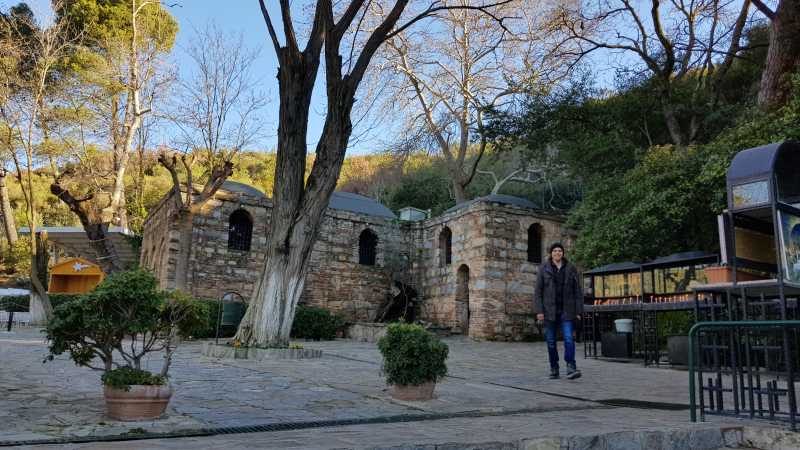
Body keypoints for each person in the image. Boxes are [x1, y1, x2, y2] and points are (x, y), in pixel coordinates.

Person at [533, 242, 583, 380]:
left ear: (563, 253)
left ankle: (571, 367)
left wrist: (578, 311)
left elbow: (577, 291)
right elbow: (538, 292)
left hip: (567, 310)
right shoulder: (544, 268)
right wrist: (539, 311)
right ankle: (554, 368)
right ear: (551, 253)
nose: (557, 253)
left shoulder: (571, 268)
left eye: (559, 251)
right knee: (550, 341)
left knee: (568, 338)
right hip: (549, 311)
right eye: (554, 251)